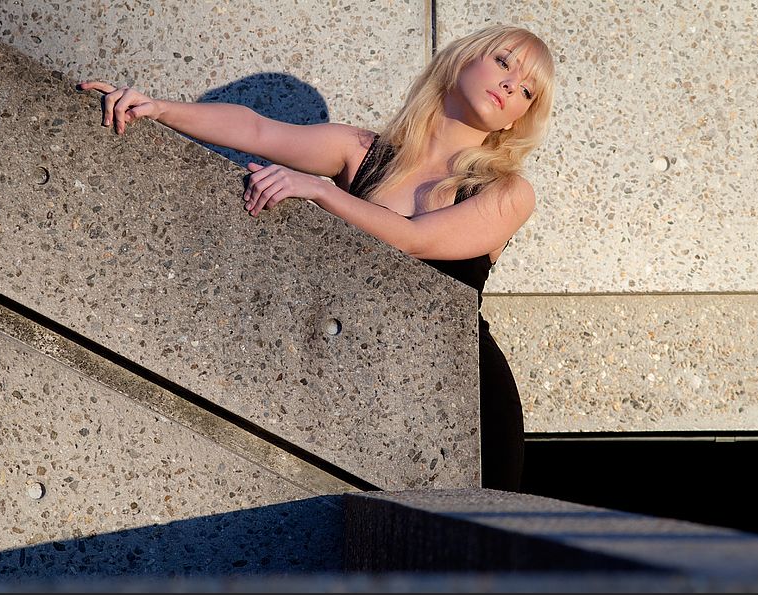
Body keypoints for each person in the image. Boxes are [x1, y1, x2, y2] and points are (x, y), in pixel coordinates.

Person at [78, 25, 555, 491]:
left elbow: (412, 241)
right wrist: (157, 108)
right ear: (460, 62)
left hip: (464, 390)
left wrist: (322, 192)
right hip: (370, 379)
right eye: (503, 62)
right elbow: (256, 129)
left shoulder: (510, 192)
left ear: (515, 119)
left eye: (528, 91)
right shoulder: (363, 152)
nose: (512, 85)